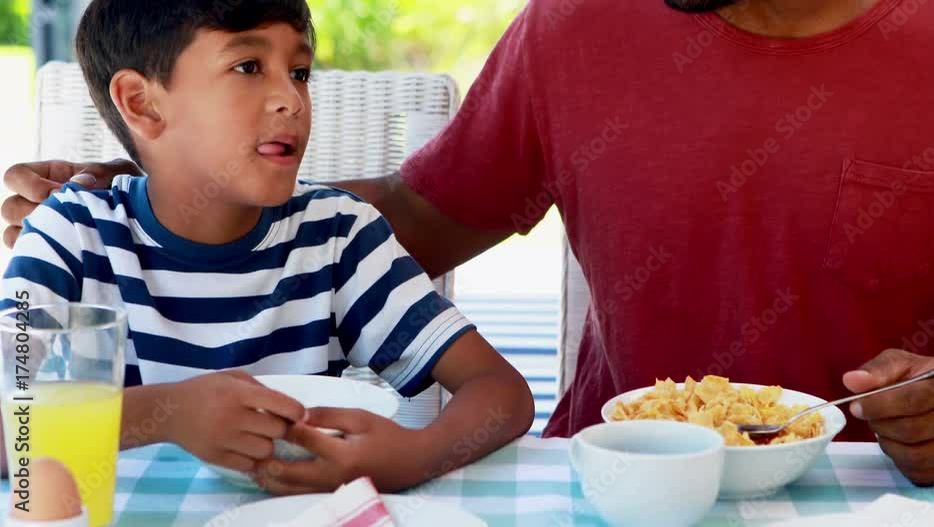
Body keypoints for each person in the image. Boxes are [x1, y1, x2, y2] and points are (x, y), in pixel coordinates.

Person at [6, 0, 934, 487]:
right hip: (608, 482)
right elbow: (411, 216)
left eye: (297, 70)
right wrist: (143, 189)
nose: (286, 93)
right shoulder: (573, 29)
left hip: (874, 493)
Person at [0, 0, 534, 496]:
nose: (291, 99)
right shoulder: (69, 236)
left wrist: (415, 455)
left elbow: (500, 391)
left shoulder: (336, 236)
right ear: (142, 103)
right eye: (248, 67)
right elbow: (10, 433)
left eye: (299, 72)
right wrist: (166, 414)